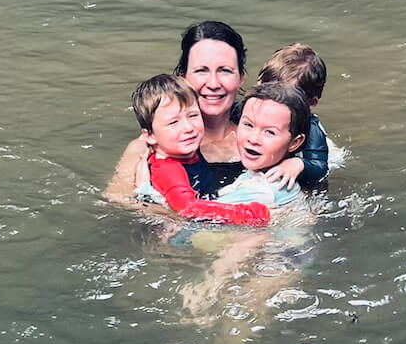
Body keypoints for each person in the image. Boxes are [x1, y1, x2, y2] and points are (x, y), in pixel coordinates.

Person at [106, 20, 247, 203]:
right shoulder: (147, 147)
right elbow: (116, 200)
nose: (213, 84)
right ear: (183, 78)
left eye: (225, 71)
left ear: (241, 78)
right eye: (201, 71)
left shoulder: (261, 137)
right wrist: (153, 202)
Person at [131, 73, 270, 226]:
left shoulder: (184, 153)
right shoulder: (168, 169)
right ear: (150, 136)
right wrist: (250, 214)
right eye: (173, 123)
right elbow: (189, 209)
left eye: (193, 115)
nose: (188, 128)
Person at [219, 82, 310, 209]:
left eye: (270, 132)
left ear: (295, 142)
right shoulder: (264, 176)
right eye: (248, 125)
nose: (253, 139)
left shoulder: (264, 190)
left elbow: (196, 215)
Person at [256, 43, 329, 188]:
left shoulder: (311, 130)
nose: (274, 103)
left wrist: (299, 164)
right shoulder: (252, 110)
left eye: (287, 101)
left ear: (311, 103)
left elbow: (320, 168)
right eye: (267, 92)